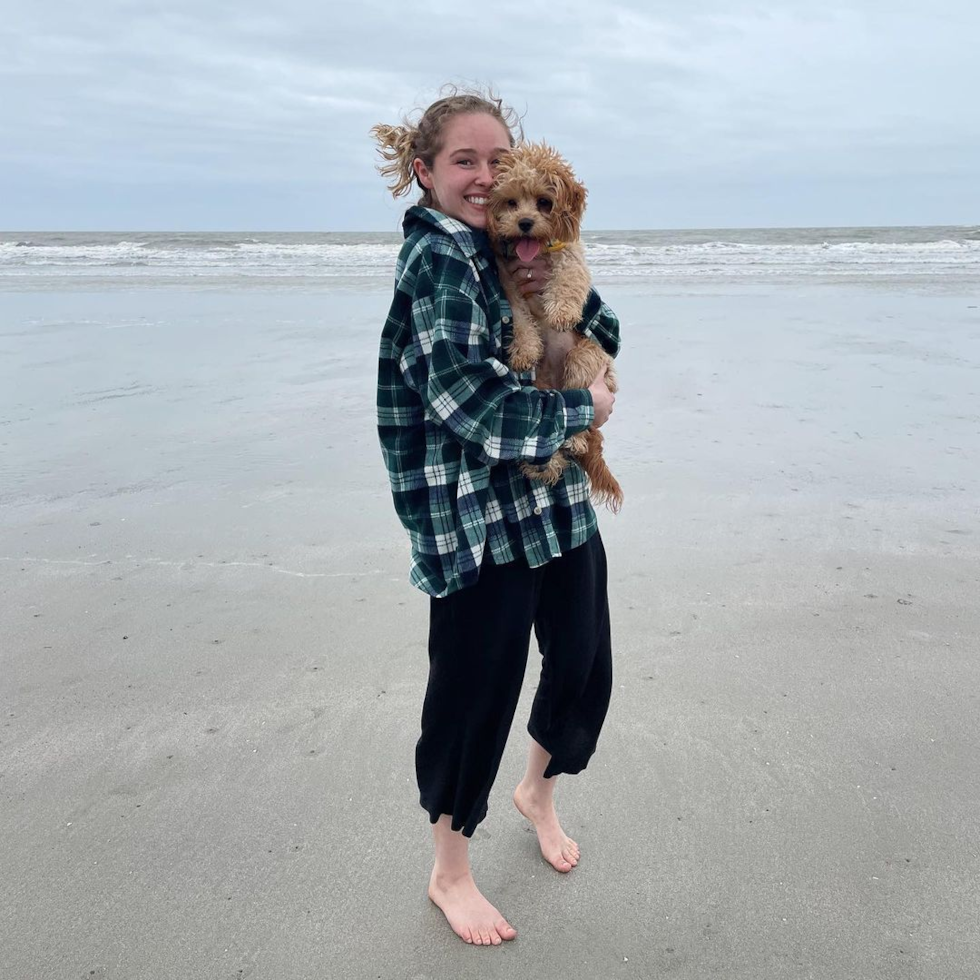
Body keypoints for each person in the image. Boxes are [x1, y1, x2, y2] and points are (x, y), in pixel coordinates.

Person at [372, 88, 620, 947]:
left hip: (553, 506)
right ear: (425, 173)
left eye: (495, 159)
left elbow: (605, 321)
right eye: (463, 162)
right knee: (473, 698)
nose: (484, 179)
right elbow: (471, 403)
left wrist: (573, 306)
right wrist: (584, 407)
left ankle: (537, 792)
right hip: (476, 523)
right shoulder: (440, 262)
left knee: (582, 665)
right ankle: (449, 870)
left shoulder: (518, 246)